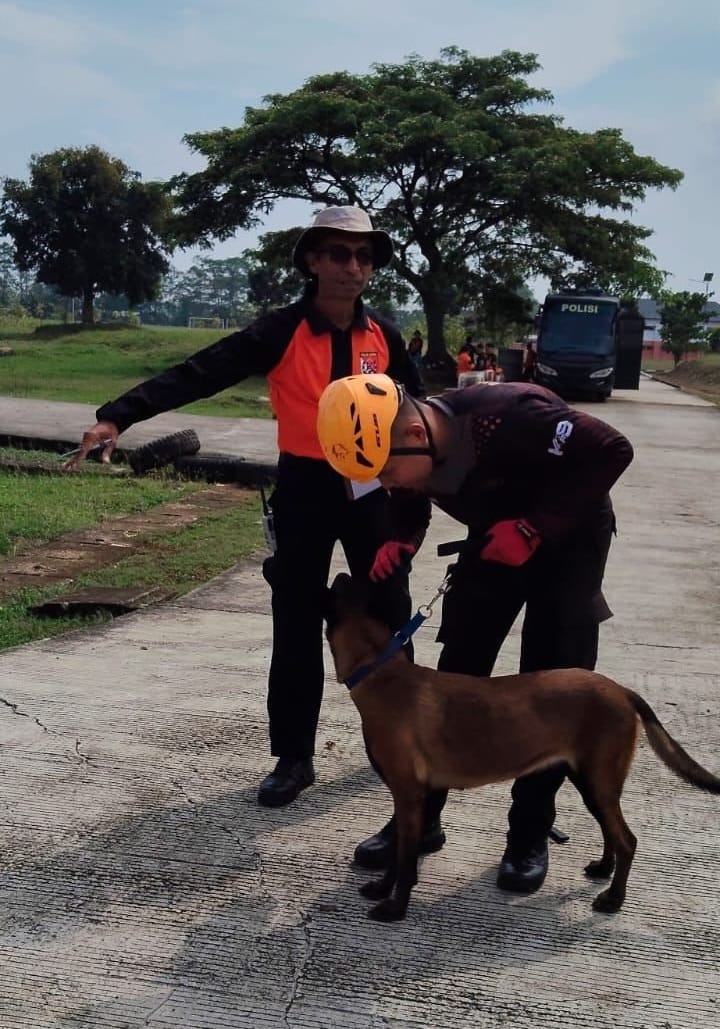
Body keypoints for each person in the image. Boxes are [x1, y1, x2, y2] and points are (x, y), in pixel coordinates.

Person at [65, 206, 426, 808]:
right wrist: (117, 415)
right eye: (339, 254)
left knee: (389, 616)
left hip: (371, 495)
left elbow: (419, 408)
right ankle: (293, 756)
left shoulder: (383, 336)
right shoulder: (281, 331)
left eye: (363, 256)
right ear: (313, 260)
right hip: (306, 491)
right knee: (295, 621)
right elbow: (200, 372)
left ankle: (398, 740)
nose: (352, 267)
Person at [316, 373, 634, 894]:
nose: (390, 486)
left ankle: (528, 831)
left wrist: (535, 528)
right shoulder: (410, 449)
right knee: (457, 670)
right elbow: (410, 487)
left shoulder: (512, 414)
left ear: (416, 434)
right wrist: (403, 535)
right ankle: (419, 822)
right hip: (495, 539)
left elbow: (612, 449)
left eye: (388, 472)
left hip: (569, 541)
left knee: (552, 683)